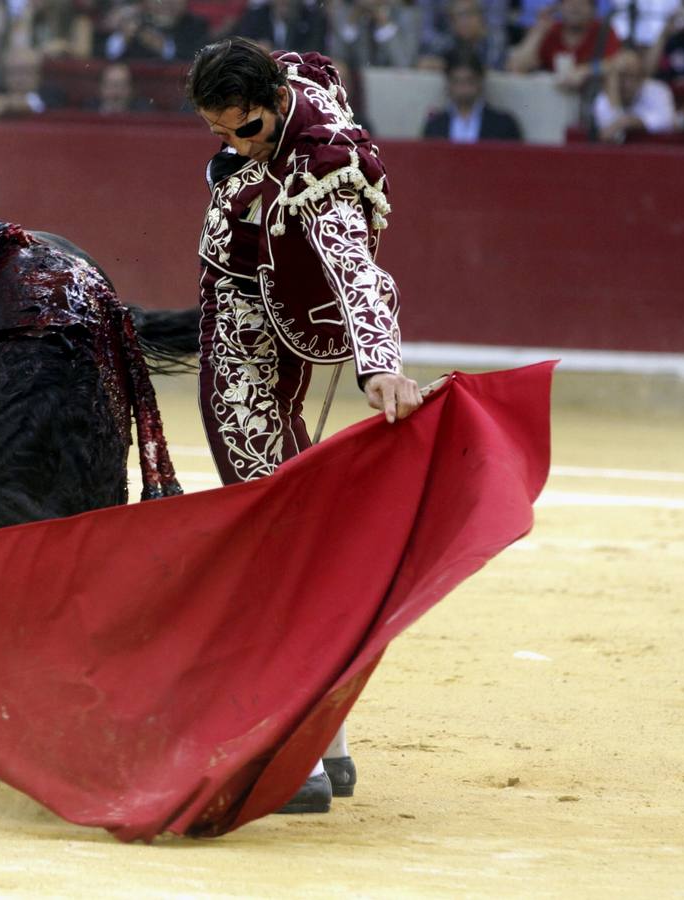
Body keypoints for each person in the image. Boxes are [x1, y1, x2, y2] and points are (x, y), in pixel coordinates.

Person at [185, 37, 421, 813]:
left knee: (275, 541)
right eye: (219, 135)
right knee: (299, 527)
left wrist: (379, 362)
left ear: (277, 105)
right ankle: (336, 748)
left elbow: (355, 267)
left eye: (246, 132)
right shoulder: (293, 77)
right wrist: (246, 160)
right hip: (263, 310)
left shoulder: (320, 169)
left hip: (254, 346)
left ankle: (303, 762)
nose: (233, 148)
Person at [507, 0, 623, 90]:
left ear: (593, 9)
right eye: (569, 2)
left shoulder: (603, 32)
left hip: (588, 105)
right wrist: (539, 30)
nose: (575, 7)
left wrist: (586, 71)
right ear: (560, 6)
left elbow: (619, 63)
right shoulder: (551, 30)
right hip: (552, 101)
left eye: (582, 3)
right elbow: (516, 67)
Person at [422, 46, 524, 139]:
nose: (463, 88)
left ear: (480, 81)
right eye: (457, 81)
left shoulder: (504, 124)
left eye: (469, 80)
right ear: (448, 84)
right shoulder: (435, 126)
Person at [593, 46, 676, 138]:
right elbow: (613, 135)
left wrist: (630, 122)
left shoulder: (659, 90)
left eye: (632, 76)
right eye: (621, 76)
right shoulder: (604, 99)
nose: (627, 84)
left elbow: (668, 121)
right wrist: (614, 96)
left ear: (642, 77)